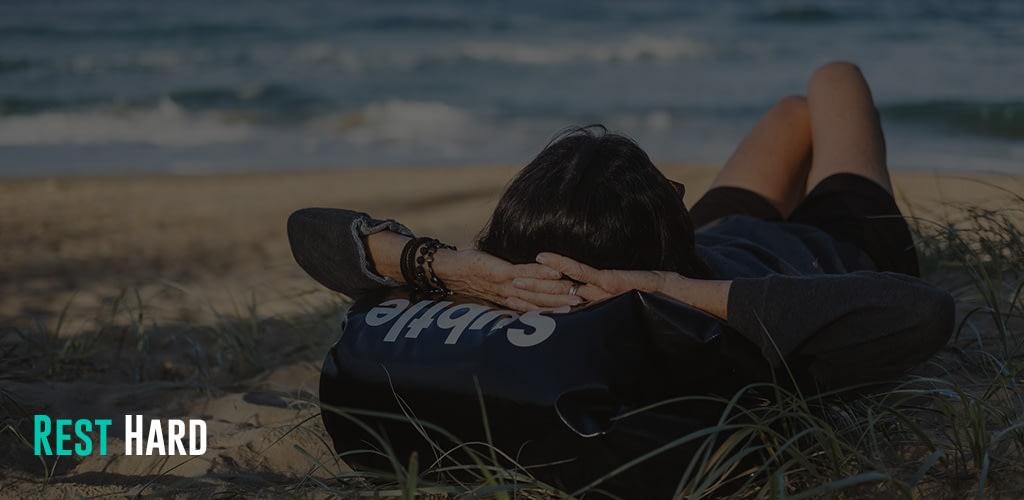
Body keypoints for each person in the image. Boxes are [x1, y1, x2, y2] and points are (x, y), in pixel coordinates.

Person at [288, 62, 954, 388]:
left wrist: (457, 268)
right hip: (828, 242)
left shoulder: (511, 290)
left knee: (790, 110)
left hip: (710, 238)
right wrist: (668, 285)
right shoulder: (697, 317)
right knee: (834, 79)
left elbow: (308, 231)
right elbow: (924, 311)